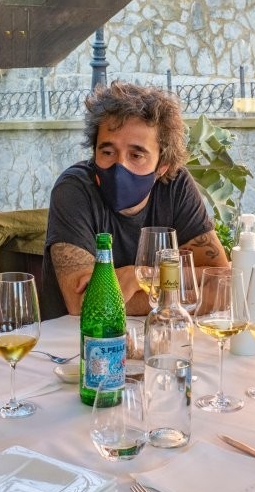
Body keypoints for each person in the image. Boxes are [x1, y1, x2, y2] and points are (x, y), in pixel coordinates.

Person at [41, 81, 228, 319]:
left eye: (136, 155)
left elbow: (221, 281)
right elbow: (84, 304)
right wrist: (177, 294)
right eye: (107, 152)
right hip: (76, 344)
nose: (120, 166)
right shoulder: (74, 189)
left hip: (154, 339)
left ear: (162, 166)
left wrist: (141, 275)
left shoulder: (175, 185)